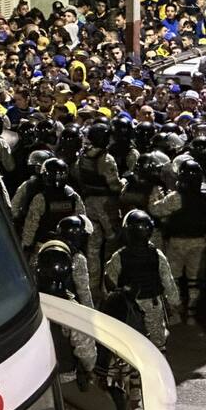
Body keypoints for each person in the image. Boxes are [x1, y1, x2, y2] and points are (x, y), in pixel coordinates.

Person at [36, 242, 116, 410]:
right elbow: (86, 353)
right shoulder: (69, 307)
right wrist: (87, 370)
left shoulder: (24, 300)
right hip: (63, 383)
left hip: (31, 384)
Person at [152, 159, 206, 324]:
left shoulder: (176, 197)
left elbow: (156, 210)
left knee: (173, 278)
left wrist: (155, 194)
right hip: (199, 242)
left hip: (177, 242)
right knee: (193, 280)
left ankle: (175, 313)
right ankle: (191, 314)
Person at [104, 210, 180, 351]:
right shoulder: (157, 254)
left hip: (130, 307)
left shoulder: (119, 256)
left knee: (132, 343)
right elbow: (168, 281)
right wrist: (174, 302)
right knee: (158, 344)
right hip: (153, 305)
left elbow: (109, 283)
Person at [75, 122, 124, 293]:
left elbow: (78, 176)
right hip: (106, 206)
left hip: (89, 204)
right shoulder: (106, 159)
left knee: (92, 249)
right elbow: (114, 185)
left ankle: (92, 288)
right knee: (112, 247)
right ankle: (107, 290)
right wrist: (125, 183)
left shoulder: (83, 156)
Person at [21, 158, 88, 252]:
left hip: (44, 245)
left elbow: (31, 224)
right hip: (68, 246)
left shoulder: (41, 198)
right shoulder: (73, 196)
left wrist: (26, 245)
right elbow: (82, 219)